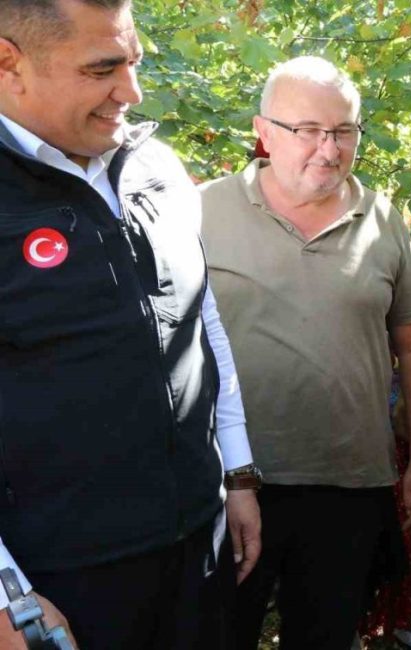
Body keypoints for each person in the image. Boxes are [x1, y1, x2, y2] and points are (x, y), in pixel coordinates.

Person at [0, 0, 260, 648]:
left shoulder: (158, 169)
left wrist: (239, 472)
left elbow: (202, 321)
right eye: (102, 69)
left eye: (135, 61)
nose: (132, 91)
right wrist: (6, 595)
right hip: (58, 586)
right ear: (10, 65)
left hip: (201, 551)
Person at [199, 56, 411, 650]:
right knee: (218, 633)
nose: (328, 149)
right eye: (308, 130)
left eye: (344, 131)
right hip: (229, 482)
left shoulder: (382, 219)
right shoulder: (198, 211)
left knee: (326, 639)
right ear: (265, 131)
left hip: (348, 487)